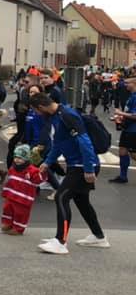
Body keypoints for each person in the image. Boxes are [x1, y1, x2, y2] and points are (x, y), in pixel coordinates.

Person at [31, 93, 109, 254]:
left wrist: (88, 168)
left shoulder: (67, 115)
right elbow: (58, 143)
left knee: (61, 197)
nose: (37, 114)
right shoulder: (56, 116)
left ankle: (60, 242)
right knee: (82, 202)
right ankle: (99, 237)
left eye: (36, 111)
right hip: (77, 165)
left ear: (41, 107)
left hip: (82, 166)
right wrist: (48, 162)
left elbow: (85, 141)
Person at [0, 144, 45, 236]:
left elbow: (38, 179)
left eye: (20, 158)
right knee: (7, 209)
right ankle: (8, 224)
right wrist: (6, 192)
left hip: (24, 197)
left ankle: (18, 228)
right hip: (11, 195)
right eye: (16, 157)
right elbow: (10, 181)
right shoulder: (13, 168)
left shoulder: (32, 170)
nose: (17, 160)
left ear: (26, 159)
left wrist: (43, 172)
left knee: (20, 213)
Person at [109, 77, 136, 183]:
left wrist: (120, 113)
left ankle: (123, 176)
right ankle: (123, 176)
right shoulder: (132, 96)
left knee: (133, 154)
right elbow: (129, 112)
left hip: (133, 130)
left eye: (127, 83)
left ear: (134, 84)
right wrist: (120, 117)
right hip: (128, 128)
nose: (125, 85)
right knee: (122, 151)